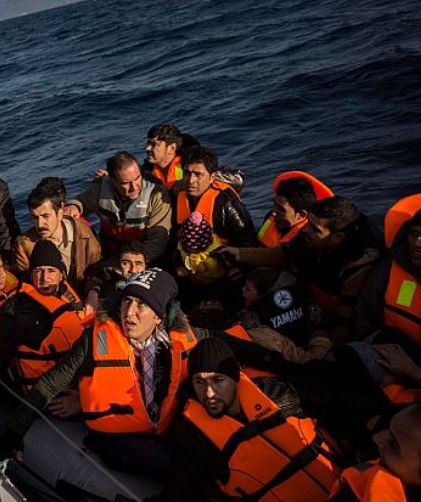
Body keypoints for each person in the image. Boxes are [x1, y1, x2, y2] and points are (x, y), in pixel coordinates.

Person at [7, 269, 198, 478]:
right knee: (165, 462)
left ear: (159, 317)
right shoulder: (96, 340)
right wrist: (15, 431)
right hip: (114, 435)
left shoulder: (177, 343)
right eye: (127, 301)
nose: (129, 312)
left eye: (141, 304)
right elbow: (51, 384)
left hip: (160, 428)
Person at [162, 338, 341, 502]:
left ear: (235, 378)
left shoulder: (276, 393)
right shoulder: (195, 436)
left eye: (218, 380)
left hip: (342, 488)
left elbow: (334, 405)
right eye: (199, 382)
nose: (209, 393)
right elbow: (179, 489)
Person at [218, 196, 381, 343]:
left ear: (337, 238)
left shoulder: (357, 266)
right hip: (309, 304)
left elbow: (345, 323)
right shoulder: (309, 238)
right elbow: (282, 254)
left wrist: (322, 353)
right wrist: (237, 253)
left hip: (334, 323)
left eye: (315, 229)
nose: (306, 230)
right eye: (309, 223)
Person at [0, 240, 86, 390]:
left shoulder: (66, 294)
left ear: (61, 275)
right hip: (47, 393)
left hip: (79, 380)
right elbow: (0, 358)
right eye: (38, 271)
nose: (44, 278)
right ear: (31, 275)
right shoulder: (18, 309)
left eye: (51, 271)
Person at [64, 150, 172, 260]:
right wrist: (73, 207)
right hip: (109, 253)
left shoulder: (156, 193)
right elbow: (80, 202)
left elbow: (158, 238)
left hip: (144, 257)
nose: (134, 187)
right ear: (113, 181)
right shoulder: (100, 188)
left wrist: (135, 261)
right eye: (126, 183)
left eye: (137, 178)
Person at [356, 194, 421, 349]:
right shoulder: (389, 270)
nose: (417, 243)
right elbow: (365, 319)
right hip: (387, 350)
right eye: (414, 233)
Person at [13, 179, 101, 292]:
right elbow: (25, 282)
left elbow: (97, 272)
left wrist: (93, 292)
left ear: (60, 213)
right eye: (34, 217)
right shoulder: (24, 244)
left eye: (46, 216)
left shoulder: (85, 234)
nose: (40, 224)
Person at [175, 145, 257, 247]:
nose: (191, 180)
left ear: (212, 177)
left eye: (198, 174)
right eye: (187, 173)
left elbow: (248, 243)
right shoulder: (176, 195)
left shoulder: (227, 204)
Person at [257, 171, 334, 248]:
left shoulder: (307, 239)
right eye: (274, 204)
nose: (273, 213)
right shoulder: (271, 217)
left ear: (301, 215)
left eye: (281, 209)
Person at [83, 240, 148, 315]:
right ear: (118, 264)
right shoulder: (112, 280)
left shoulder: (154, 287)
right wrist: (93, 292)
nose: (133, 270)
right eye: (126, 263)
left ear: (145, 266)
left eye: (138, 264)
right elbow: (98, 275)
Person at [144, 123, 185, 194]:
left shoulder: (187, 170)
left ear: (172, 148)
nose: (147, 148)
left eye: (153, 144)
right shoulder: (145, 173)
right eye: (148, 143)